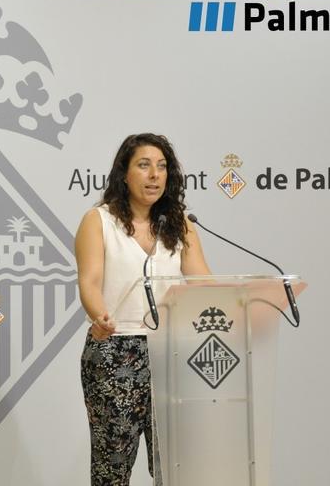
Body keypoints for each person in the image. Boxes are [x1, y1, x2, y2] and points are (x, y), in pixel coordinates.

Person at [74, 133, 211, 485]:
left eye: (162, 167)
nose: (154, 175)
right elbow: (89, 281)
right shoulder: (98, 221)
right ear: (124, 174)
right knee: (113, 467)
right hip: (116, 350)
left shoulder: (181, 225)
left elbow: (204, 285)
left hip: (172, 352)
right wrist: (99, 316)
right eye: (144, 165)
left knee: (175, 465)